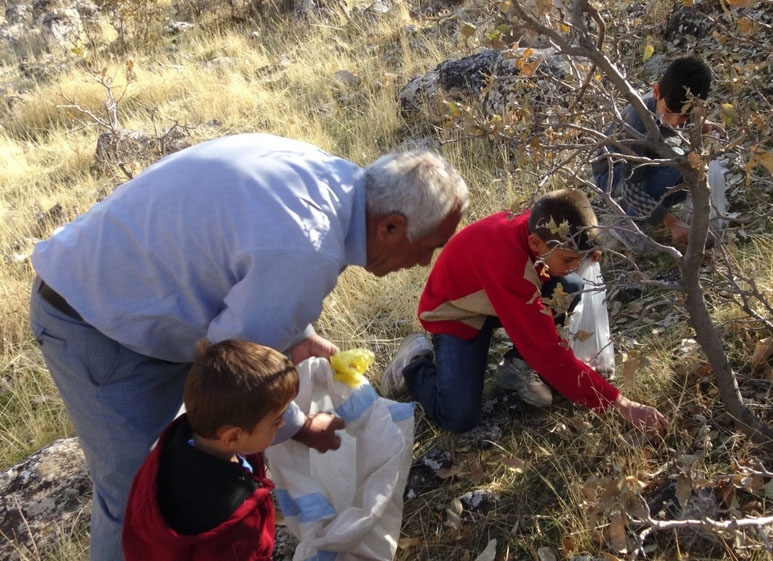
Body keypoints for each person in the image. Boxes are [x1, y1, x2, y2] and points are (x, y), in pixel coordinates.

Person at [28, 132, 469, 561]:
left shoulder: (331, 179)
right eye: (428, 247)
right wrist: (296, 425)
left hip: (127, 295)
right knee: (138, 500)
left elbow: (251, 262)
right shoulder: (308, 248)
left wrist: (295, 335)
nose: (423, 263)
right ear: (391, 225)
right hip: (97, 325)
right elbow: (233, 378)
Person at [381, 188, 667, 433]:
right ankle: (415, 361)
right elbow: (547, 352)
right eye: (569, 258)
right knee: (458, 417)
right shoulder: (510, 269)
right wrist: (621, 405)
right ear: (535, 244)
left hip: (491, 296)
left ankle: (516, 366)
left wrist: (582, 253)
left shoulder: (544, 226)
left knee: (570, 286)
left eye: (577, 259)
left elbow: (563, 239)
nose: (574, 264)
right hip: (454, 312)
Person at [121, 339, 298, 561]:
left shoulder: (170, 450)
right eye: (277, 420)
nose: (282, 424)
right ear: (232, 437)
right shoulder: (232, 522)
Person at [592, 56, 724, 246]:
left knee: (694, 169)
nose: (675, 121)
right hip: (612, 174)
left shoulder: (678, 107)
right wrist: (671, 222)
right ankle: (627, 226)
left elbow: (681, 118)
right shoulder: (639, 124)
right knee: (679, 162)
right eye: (669, 111)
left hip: (642, 166)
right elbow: (632, 188)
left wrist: (705, 126)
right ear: (656, 92)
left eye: (685, 116)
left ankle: (634, 210)